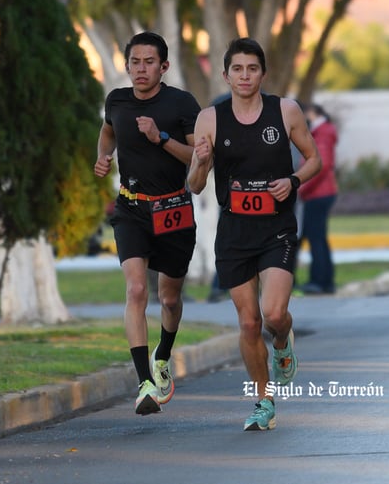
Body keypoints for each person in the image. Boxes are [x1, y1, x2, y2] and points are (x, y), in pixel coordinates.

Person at [187, 38, 321, 431]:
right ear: (225, 74)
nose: (245, 76)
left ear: (263, 73)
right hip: (234, 232)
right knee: (248, 323)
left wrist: (292, 181)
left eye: (253, 69)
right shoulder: (210, 119)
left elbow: (315, 159)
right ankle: (263, 400)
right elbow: (195, 185)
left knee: (274, 314)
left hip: (276, 227)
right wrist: (201, 162)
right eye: (238, 69)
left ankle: (282, 341)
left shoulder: (286, 111)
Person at [94, 32, 199, 416]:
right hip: (131, 209)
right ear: (127, 66)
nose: (141, 69)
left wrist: (161, 137)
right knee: (137, 289)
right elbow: (108, 132)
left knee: (169, 298)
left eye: (149, 62)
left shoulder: (181, 103)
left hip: (172, 210)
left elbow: (196, 158)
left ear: (164, 66)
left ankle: (163, 355)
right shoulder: (116, 101)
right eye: (135, 62)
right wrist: (104, 157)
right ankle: (143, 385)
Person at [297, 102, 338, 294]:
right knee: (318, 237)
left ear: (312, 113)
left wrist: (299, 186)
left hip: (318, 193)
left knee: (316, 238)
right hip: (319, 192)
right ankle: (324, 280)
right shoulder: (322, 131)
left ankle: (320, 281)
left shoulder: (323, 132)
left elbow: (320, 165)